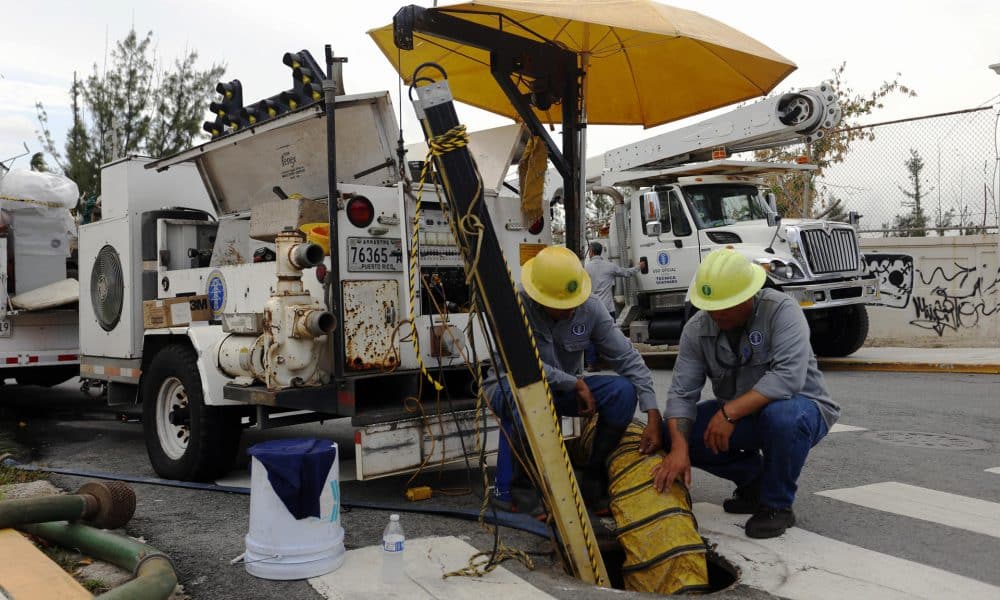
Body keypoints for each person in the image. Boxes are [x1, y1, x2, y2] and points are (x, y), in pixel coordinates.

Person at [651, 248, 839, 539]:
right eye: (710, 306)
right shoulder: (696, 330)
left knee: (782, 417)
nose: (716, 314)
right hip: (741, 415)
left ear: (748, 295)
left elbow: (788, 378)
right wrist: (678, 448)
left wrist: (729, 413)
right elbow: (681, 395)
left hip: (800, 408)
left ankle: (776, 505)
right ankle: (754, 484)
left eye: (725, 306)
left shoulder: (782, 311)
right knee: (673, 433)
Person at [490, 246, 661, 514]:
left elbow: (627, 357)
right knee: (530, 395)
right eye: (562, 306)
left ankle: (593, 479)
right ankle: (523, 490)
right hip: (512, 388)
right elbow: (522, 367)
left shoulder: (590, 308)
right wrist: (575, 383)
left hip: (562, 391)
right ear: (539, 298)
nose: (571, 311)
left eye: (573, 303)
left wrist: (652, 413)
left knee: (622, 392)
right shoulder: (514, 307)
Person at [583, 241, 639, 370]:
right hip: (607, 308)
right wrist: (638, 267)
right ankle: (614, 362)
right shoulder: (609, 266)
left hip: (591, 308)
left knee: (590, 336)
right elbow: (627, 273)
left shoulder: (585, 268)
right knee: (610, 336)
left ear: (591, 252)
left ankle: (591, 363)